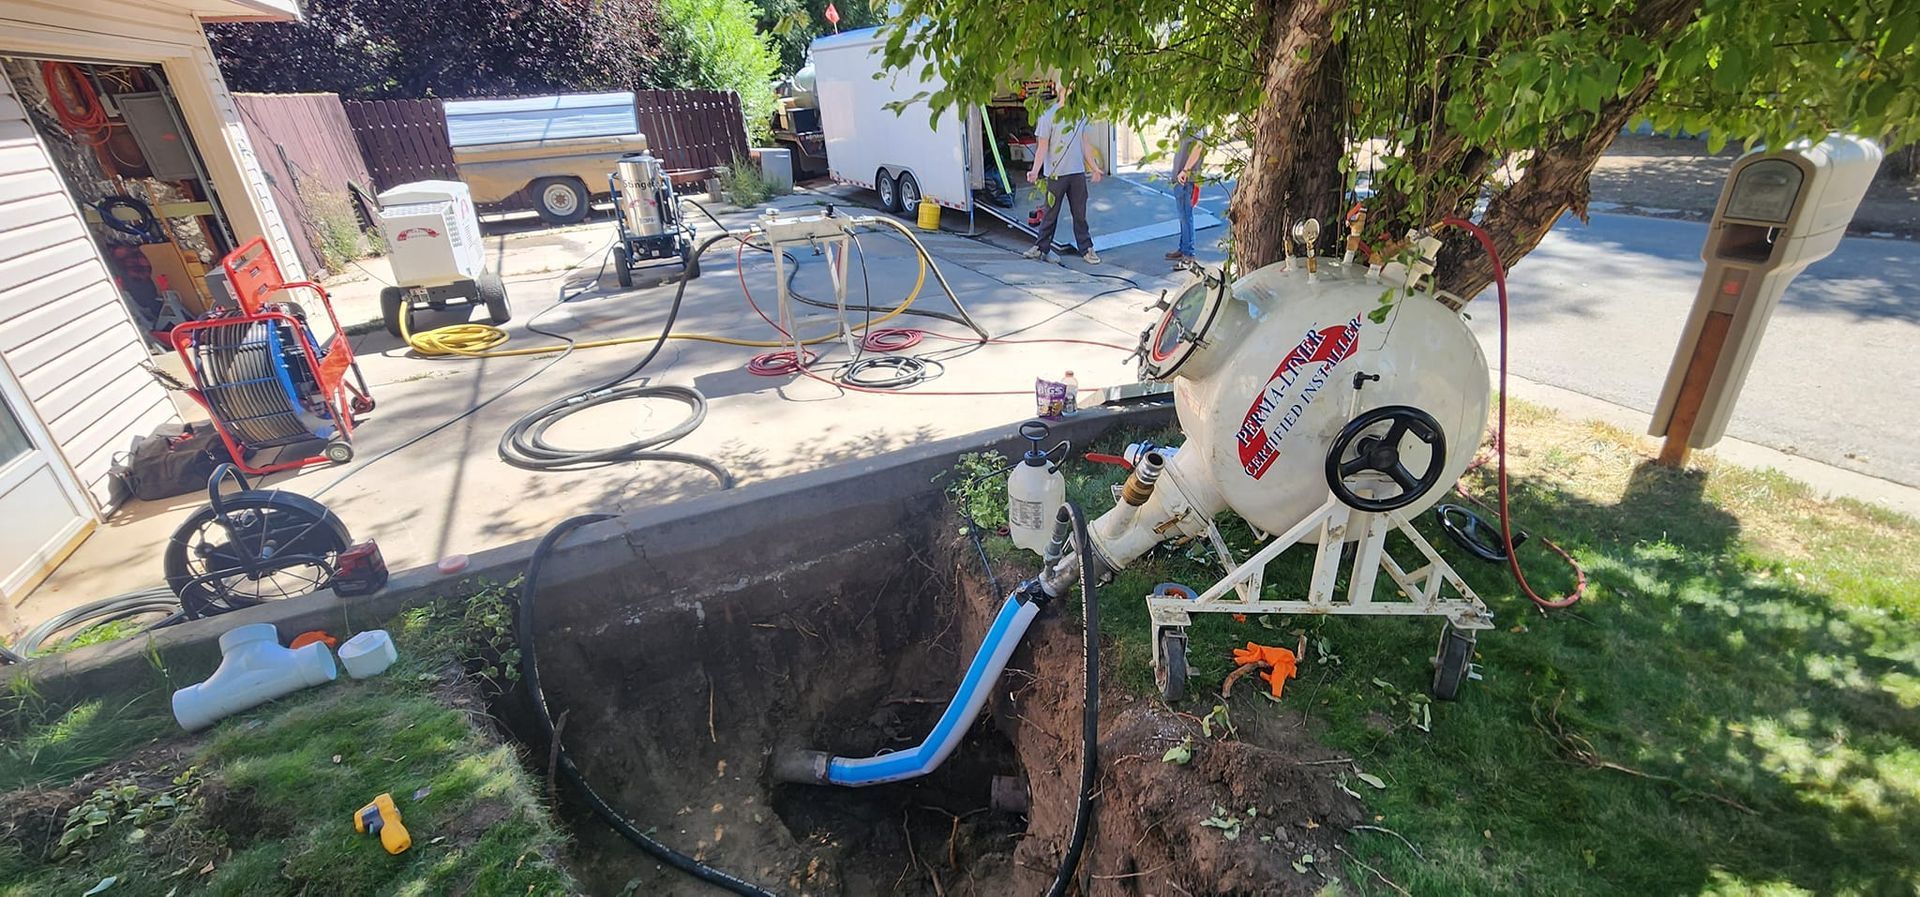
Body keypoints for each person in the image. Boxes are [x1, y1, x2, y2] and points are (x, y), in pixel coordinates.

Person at [1022, 85, 1104, 265]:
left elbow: (1085, 145)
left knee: (1080, 214)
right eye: (1069, 88)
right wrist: (1035, 170)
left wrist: (1094, 168)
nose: (1072, 92)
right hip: (1056, 175)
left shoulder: (1080, 114)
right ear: (1060, 90)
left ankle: (1087, 249)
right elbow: (1042, 147)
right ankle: (1041, 247)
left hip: (1077, 174)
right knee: (1050, 213)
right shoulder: (1048, 115)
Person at [1166, 122, 1207, 262]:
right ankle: (1183, 248)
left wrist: (1185, 170)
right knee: (1183, 216)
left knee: (1186, 216)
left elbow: (1198, 146)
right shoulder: (1193, 120)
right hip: (1182, 178)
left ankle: (1188, 254)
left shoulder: (1197, 122)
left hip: (1186, 179)